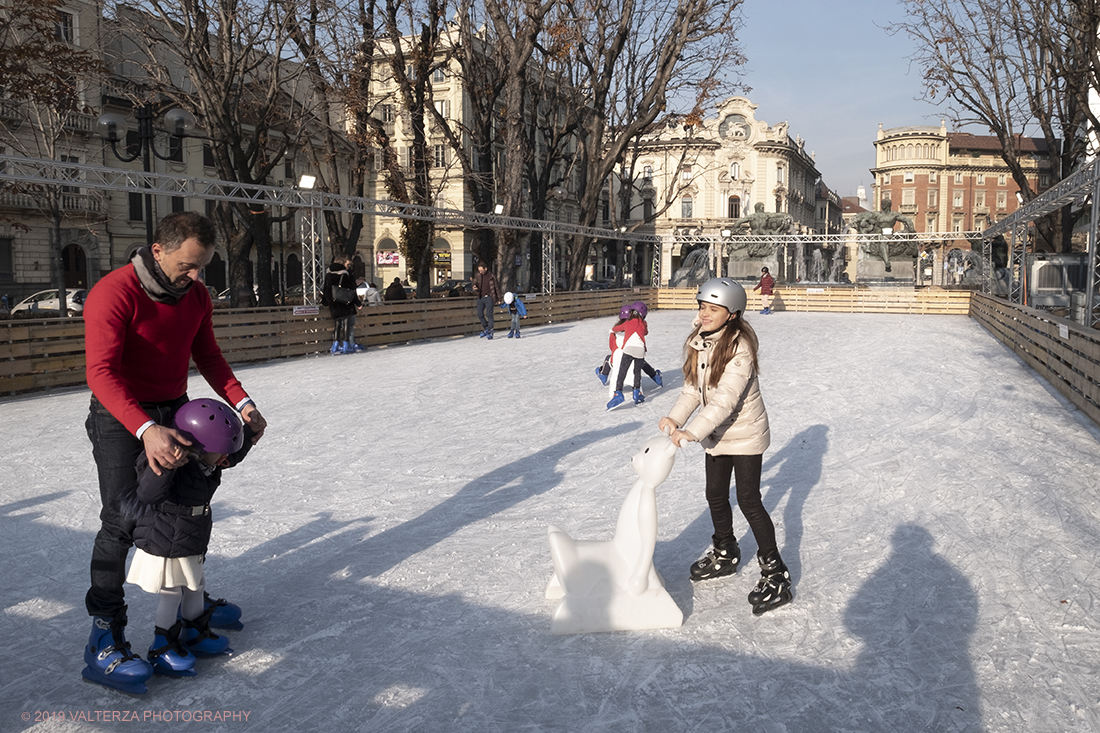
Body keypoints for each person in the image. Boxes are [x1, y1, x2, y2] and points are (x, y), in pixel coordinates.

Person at [82, 211, 267, 695]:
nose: (195, 276)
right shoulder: (115, 292)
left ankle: (189, 608)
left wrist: (242, 403)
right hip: (121, 415)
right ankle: (104, 634)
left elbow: (207, 355)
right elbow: (101, 372)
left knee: (188, 503)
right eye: (187, 265)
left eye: (202, 266)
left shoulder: (197, 296)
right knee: (124, 518)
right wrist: (145, 428)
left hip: (175, 407)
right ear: (158, 250)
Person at [657, 277, 791, 616]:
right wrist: (675, 418)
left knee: (748, 499)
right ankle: (726, 551)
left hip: (744, 434)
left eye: (713, 309)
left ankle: (776, 573)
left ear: (732, 314)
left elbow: (724, 401)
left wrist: (693, 432)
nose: (705, 314)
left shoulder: (740, 348)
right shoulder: (698, 341)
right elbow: (692, 389)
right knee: (715, 494)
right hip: (717, 435)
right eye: (702, 306)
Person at [122, 398, 253, 678]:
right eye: (219, 452)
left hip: (190, 540)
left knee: (196, 586)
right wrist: (168, 468)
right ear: (198, 447)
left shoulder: (207, 461)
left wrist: (250, 434)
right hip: (166, 542)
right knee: (172, 594)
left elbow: (230, 454)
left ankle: (194, 632)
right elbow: (147, 494)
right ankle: (162, 646)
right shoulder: (168, 463)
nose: (223, 459)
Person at [607, 302, 650, 409]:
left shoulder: (627, 323)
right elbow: (645, 332)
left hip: (629, 349)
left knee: (622, 371)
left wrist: (613, 330)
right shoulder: (644, 323)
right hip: (640, 351)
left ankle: (618, 392)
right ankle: (636, 392)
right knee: (637, 372)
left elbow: (617, 328)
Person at [321, 256, 362, 355]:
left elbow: (325, 290)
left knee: (337, 325)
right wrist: (358, 303)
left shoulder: (328, 274)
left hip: (333, 304)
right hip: (345, 303)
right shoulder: (344, 274)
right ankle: (346, 345)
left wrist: (325, 302)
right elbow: (351, 290)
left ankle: (335, 345)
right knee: (347, 324)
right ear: (342, 264)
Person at [471, 261, 501, 339]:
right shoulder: (478, 275)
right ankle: (486, 328)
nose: (480, 272)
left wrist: (499, 298)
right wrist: (474, 286)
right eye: (479, 270)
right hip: (480, 297)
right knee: (480, 314)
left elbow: (497, 287)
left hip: (489, 297)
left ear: (486, 268)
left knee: (489, 314)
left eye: (481, 270)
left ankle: (490, 330)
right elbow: (474, 283)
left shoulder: (491, 276)